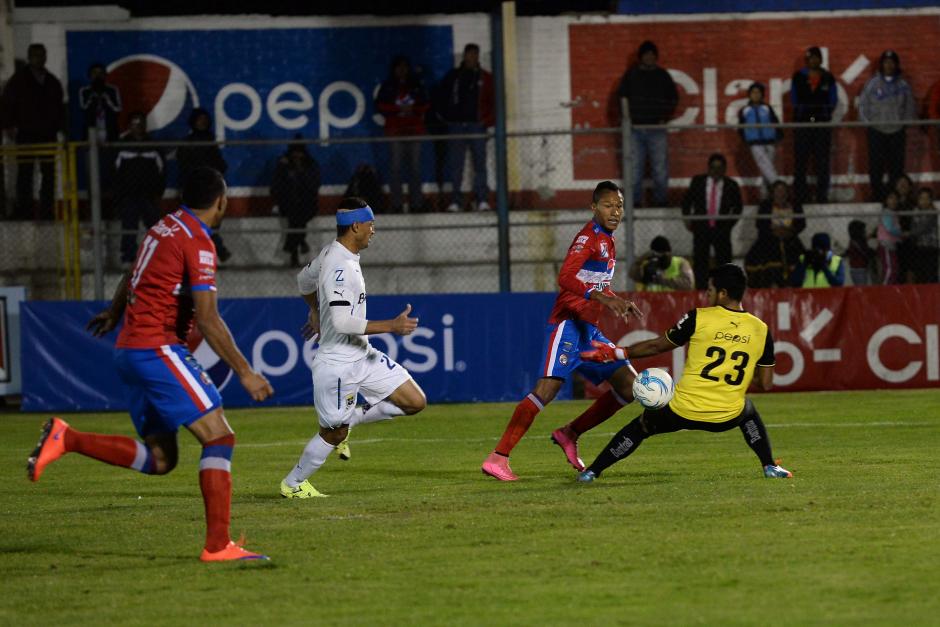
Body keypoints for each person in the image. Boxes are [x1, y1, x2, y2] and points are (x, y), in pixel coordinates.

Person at [27, 166, 274, 561]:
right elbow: (208, 318)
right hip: (157, 348)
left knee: (161, 459)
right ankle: (218, 546)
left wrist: (114, 312)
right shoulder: (197, 240)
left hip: (130, 349)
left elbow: (133, 272)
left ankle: (67, 438)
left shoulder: (164, 226)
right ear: (221, 201)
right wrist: (245, 372)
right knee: (219, 437)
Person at [481, 181, 643, 481]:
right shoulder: (587, 238)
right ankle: (498, 458)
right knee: (546, 390)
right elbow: (565, 277)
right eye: (608, 205)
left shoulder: (608, 240)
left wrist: (615, 299)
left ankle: (570, 433)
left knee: (629, 387)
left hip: (589, 330)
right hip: (568, 324)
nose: (615, 211)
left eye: (619, 206)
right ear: (593, 207)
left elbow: (595, 282)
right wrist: (602, 298)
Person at [576, 263, 792, 483]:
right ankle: (769, 465)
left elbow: (657, 346)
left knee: (641, 426)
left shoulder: (698, 317)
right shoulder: (761, 329)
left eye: (710, 290)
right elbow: (765, 383)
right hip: (726, 416)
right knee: (748, 411)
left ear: (723, 293)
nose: (707, 294)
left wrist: (617, 353)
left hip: (682, 410)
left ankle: (592, 472)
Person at [280, 196, 427, 498]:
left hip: (363, 354)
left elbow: (303, 280)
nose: (374, 230)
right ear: (356, 226)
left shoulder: (331, 254)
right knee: (334, 433)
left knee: (414, 401)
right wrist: (392, 326)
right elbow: (343, 322)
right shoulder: (339, 265)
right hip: (337, 364)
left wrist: (314, 309)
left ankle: (353, 417)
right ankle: (292, 484)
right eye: (371, 224)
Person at [0, 43, 65, 220]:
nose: (39, 59)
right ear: (29, 58)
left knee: (48, 173)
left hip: (47, 134)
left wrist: (59, 128)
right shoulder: (18, 80)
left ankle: (47, 211)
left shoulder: (52, 82)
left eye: (42, 55)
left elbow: (59, 108)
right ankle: (24, 210)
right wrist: (8, 125)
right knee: (25, 172)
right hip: (26, 132)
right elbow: (7, 104)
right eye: (36, 55)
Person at [617, 40, 678, 207]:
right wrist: (627, 119)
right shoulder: (631, 75)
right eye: (646, 54)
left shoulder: (663, 76)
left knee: (660, 168)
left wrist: (664, 117)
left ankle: (661, 201)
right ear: (641, 57)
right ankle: (634, 203)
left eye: (652, 55)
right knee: (634, 169)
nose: (649, 57)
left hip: (657, 128)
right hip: (635, 130)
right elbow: (622, 99)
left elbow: (673, 98)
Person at [439, 43, 495, 212]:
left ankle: (482, 199)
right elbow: (442, 97)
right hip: (456, 127)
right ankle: (455, 201)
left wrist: (487, 122)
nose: (472, 58)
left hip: (477, 126)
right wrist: (447, 119)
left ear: (478, 56)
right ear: (464, 56)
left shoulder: (486, 77)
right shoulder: (453, 76)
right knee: (456, 165)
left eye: (475, 55)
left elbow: (494, 101)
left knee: (480, 164)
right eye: (469, 54)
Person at [858, 51, 915, 203]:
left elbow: (909, 106)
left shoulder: (903, 85)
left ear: (896, 64)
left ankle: (893, 197)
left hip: (897, 131)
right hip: (876, 131)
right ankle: (877, 196)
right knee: (876, 166)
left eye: (892, 62)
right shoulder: (872, 83)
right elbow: (863, 105)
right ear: (881, 64)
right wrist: (868, 124)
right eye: (886, 62)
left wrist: (904, 124)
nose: (889, 65)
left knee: (896, 167)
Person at [177, 107, 232, 262]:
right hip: (195, 190)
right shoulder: (188, 143)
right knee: (198, 225)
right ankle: (218, 250)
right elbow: (184, 166)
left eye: (205, 120)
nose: (202, 123)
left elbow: (220, 165)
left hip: (210, 189)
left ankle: (213, 252)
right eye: (200, 120)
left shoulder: (210, 141)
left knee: (209, 224)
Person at [376, 55, 429, 213]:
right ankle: (397, 204)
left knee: (415, 169)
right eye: (399, 67)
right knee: (395, 168)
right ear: (394, 69)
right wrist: (398, 109)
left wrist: (413, 109)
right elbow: (380, 105)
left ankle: (416, 204)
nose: (402, 70)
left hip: (414, 131)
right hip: (395, 132)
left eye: (405, 66)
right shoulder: (388, 86)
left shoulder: (417, 85)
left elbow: (426, 104)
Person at [681, 153, 743, 289]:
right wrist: (688, 219)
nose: (716, 171)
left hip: (721, 229)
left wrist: (728, 225)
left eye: (719, 168)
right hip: (702, 228)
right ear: (708, 168)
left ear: (724, 169)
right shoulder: (698, 182)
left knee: (724, 260)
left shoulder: (731, 185)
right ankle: (701, 289)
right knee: (700, 260)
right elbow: (687, 202)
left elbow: (738, 207)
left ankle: (724, 288)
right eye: (713, 167)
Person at [114, 112, 166, 265]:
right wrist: (119, 193)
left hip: (149, 195)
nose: (138, 127)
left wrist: (158, 191)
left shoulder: (153, 145)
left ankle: (159, 257)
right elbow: (115, 172)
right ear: (130, 126)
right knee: (129, 226)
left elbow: (162, 170)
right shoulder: (121, 145)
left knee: (154, 227)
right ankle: (128, 257)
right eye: (135, 123)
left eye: (141, 123)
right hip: (129, 195)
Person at [791, 46, 837, 204]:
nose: (814, 60)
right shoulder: (798, 77)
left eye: (816, 57)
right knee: (801, 161)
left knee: (822, 162)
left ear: (821, 59)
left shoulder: (828, 77)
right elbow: (794, 99)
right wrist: (801, 113)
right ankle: (801, 196)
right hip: (803, 124)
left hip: (821, 124)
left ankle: (822, 196)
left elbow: (833, 99)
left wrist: (825, 112)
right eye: (811, 58)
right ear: (807, 60)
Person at [744, 180, 806, 288]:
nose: (780, 193)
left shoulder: (795, 205)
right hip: (769, 239)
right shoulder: (765, 205)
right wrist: (773, 232)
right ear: (772, 192)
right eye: (778, 190)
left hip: (790, 239)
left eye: (783, 190)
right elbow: (760, 224)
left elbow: (801, 223)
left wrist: (790, 231)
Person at [271, 138, 321, 267]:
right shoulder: (284, 165)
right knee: (297, 224)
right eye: (295, 153)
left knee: (296, 224)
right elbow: (277, 185)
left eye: (299, 153)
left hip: (306, 203)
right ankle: (301, 243)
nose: (297, 156)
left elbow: (314, 184)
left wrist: (300, 174)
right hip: (289, 203)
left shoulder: (309, 165)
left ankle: (292, 249)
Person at [738, 82, 782, 193]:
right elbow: (741, 126)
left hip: (770, 141)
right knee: (764, 164)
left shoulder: (767, 108)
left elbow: (775, 121)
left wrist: (779, 135)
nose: (756, 95)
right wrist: (745, 139)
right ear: (749, 94)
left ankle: (765, 195)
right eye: (753, 92)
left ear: (762, 94)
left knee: (767, 168)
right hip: (755, 142)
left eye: (758, 92)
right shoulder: (745, 110)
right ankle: (778, 187)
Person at [629, 235, 694, 291]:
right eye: (658, 255)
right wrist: (641, 259)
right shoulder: (649, 265)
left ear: (670, 253)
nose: (661, 259)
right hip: (652, 300)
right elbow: (633, 275)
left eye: (663, 254)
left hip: (675, 300)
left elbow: (688, 285)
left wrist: (663, 280)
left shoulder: (680, 263)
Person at [79, 62, 121, 144]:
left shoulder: (112, 90)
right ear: (89, 76)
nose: (98, 76)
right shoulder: (84, 91)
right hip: (91, 129)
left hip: (109, 129)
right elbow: (84, 108)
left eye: (101, 73)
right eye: (94, 73)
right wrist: (92, 97)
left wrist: (107, 99)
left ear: (105, 75)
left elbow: (118, 109)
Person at [909, 188, 939, 284]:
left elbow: (924, 228)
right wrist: (913, 233)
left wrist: (909, 233)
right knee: (920, 274)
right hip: (919, 246)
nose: (924, 201)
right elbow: (913, 226)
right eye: (922, 198)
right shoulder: (915, 211)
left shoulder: (933, 212)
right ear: (918, 200)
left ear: (931, 200)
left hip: (931, 247)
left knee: (931, 272)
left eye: (927, 198)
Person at [876, 191, 905, 285]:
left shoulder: (893, 213)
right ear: (886, 200)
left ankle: (889, 287)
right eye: (891, 198)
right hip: (886, 245)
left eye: (896, 198)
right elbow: (890, 228)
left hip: (891, 245)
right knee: (890, 269)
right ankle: (885, 288)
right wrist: (902, 234)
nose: (894, 201)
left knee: (893, 268)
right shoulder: (887, 212)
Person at [846, 220, 877, 286]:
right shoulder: (857, 242)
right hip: (859, 270)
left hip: (858, 269)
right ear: (859, 232)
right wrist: (875, 252)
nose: (865, 232)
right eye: (863, 231)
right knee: (862, 288)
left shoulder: (855, 241)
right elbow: (866, 252)